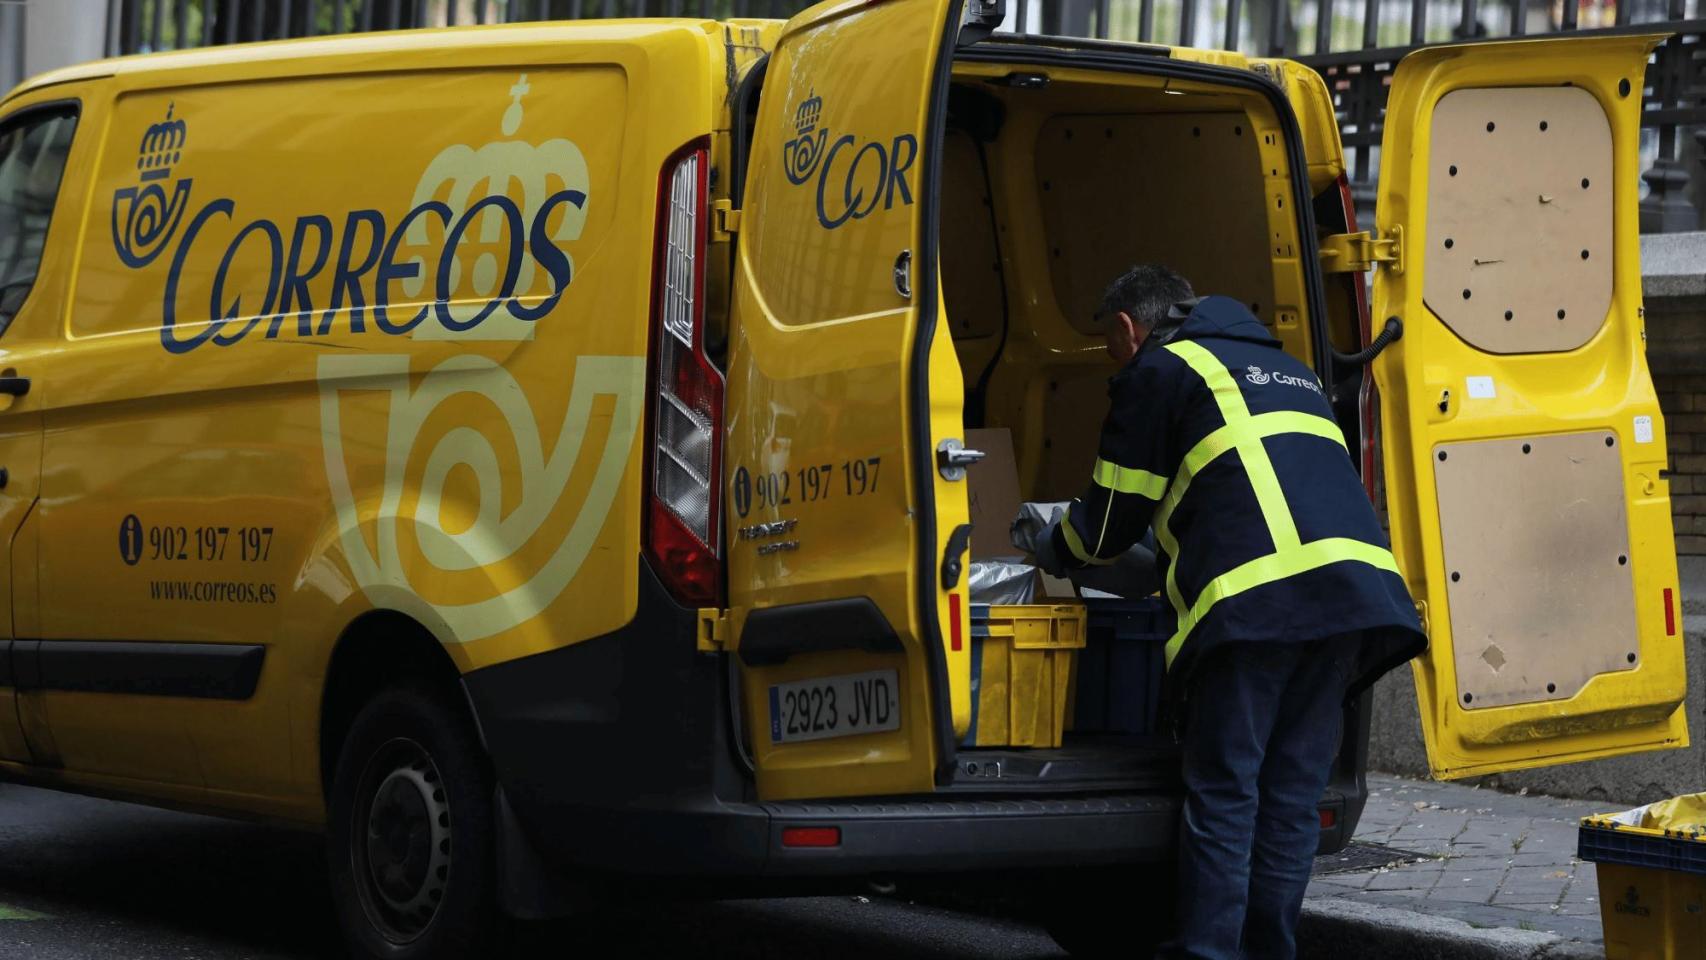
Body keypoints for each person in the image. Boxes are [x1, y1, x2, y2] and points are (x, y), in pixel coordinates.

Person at [1035, 264, 1426, 960]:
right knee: (1290, 796)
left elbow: (1106, 527)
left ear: (1129, 329)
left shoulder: (1162, 370)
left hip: (1256, 608)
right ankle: (1268, 949)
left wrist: (1051, 543)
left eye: (1110, 347)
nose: (1114, 363)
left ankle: (1210, 952)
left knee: (1226, 788)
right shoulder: (1294, 371)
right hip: (1352, 602)